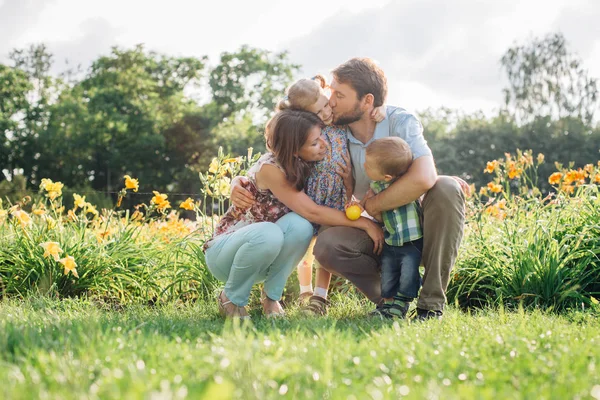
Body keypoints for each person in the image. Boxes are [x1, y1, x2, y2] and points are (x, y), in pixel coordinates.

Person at [312, 57, 467, 320]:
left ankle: (430, 305)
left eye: (339, 94)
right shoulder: (333, 131)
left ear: (368, 101)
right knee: (327, 245)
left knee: (447, 187)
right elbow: (285, 134)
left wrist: (373, 205)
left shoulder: (399, 121)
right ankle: (390, 300)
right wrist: (247, 178)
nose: (331, 100)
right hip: (378, 231)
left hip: (414, 222)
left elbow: (424, 177)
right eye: (331, 92)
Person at [204, 109, 384, 319]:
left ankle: (271, 298)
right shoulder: (271, 168)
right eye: (315, 142)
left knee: (301, 226)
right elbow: (312, 210)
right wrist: (365, 224)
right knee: (271, 231)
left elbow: (322, 209)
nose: (323, 145)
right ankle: (231, 297)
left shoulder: (300, 163)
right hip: (225, 254)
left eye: (322, 138)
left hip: (263, 255)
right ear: (294, 150)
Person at [273, 75, 385, 315]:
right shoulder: (304, 129)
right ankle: (303, 290)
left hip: (336, 192)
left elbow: (362, 111)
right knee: (304, 246)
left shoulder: (340, 122)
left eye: (326, 104)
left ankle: (320, 296)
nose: (327, 111)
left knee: (325, 240)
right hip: (309, 193)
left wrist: (380, 109)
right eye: (320, 110)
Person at [363, 137, 423, 319]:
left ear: (387, 176)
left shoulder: (407, 184)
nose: (364, 166)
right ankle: (387, 306)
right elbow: (378, 213)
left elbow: (426, 183)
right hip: (391, 239)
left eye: (368, 165)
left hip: (412, 240)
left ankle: (401, 305)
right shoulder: (375, 187)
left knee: (408, 273)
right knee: (388, 272)